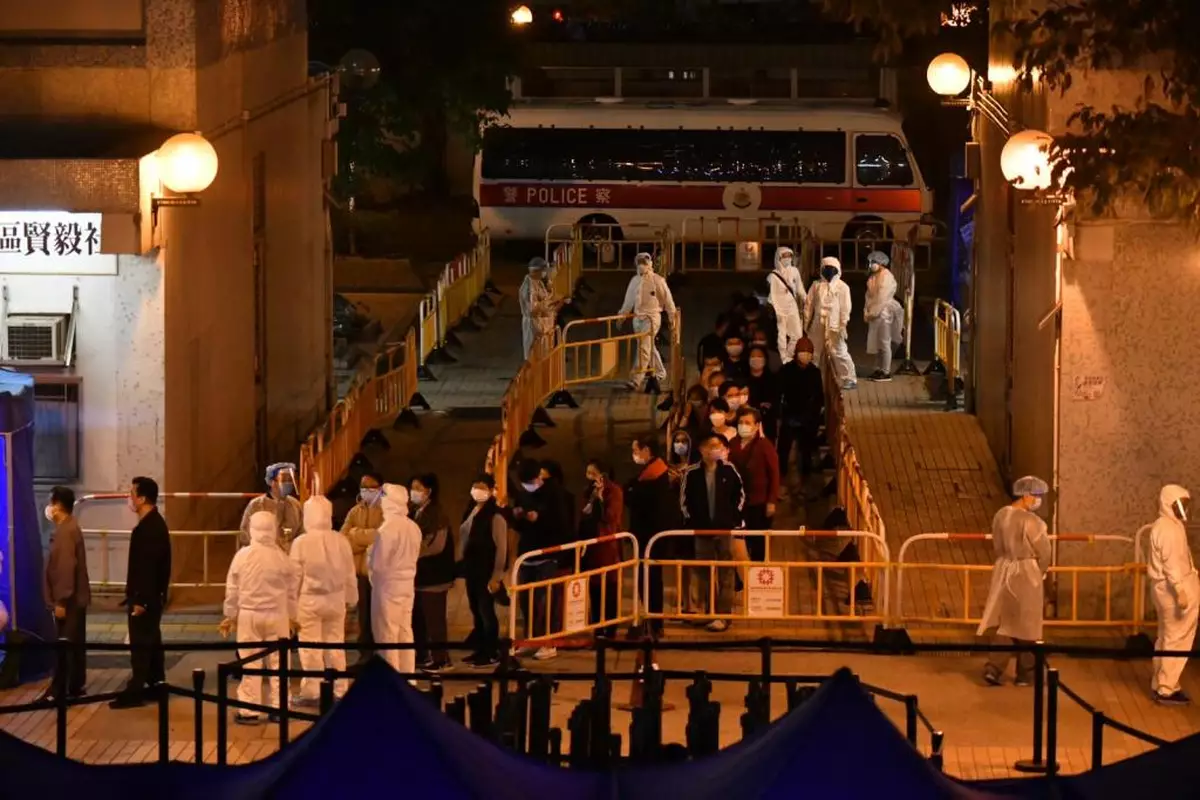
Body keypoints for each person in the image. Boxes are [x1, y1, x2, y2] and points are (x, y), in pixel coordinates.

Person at [220, 511, 298, 724]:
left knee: (250, 663)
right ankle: (280, 708)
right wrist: (292, 616)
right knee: (279, 664)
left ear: (251, 529)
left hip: (249, 615)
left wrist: (230, 615)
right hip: (278, 615)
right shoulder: (282, 557)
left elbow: (232, 589)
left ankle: (249, 710)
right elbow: (292, 590)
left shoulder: (242, 556)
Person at [978, 476, 1051, 687]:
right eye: (1036, 495)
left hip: (1004, 569)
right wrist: (1041, 571)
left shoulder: (1001, 515)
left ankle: (993, 668)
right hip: (1027, 572)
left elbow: (997, 545)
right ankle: (1026, 674)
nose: (1038, 500)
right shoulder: (1033, 522)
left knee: (1006, 623)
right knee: (1028, 624)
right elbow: (1044, 552)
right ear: (1026, 495)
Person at [290, 495, 358, 705]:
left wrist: (290, 605)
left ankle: (313, 692)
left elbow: (294, 577)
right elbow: (350, 573)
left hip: (309, 601)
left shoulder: (301, 542)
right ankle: (340, 689)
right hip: (336, 600)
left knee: (310, 648)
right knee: (335, 645)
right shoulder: (340, 540)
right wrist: (351, 598)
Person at [111, 477, 172, 709]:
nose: (130, 498)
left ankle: (135, 691)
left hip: (145, 600)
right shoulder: (152, 524)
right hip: (149, 598)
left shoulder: (149, 529)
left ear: (143, 498)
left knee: (141, 646)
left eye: (132, 493)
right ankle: (157, 685)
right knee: (152, 643)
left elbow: (148, 568)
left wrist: (141, 601)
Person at [679, 434, 745, 632]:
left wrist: (732, 519)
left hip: (724, 530)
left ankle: (724, 615)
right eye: (711, 446)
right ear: (702, 449)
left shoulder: (729, 470)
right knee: (704, 574)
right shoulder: (692, 473)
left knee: (726, 573)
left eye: (718, 446)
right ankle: (709, 612)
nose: (715, 449)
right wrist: (693, 522)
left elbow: (740, 496)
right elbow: (684, 502)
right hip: (701, 531)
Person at [512, 460, 569, 660]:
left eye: (531, 481)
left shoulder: (554, 494)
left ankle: (548, 643)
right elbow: (518, 526)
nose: (529, 486)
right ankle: (531, 640)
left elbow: (562, 524)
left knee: (547, 602)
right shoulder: (522, 495)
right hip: (527, 556)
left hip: (547, 556)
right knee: (526, 602)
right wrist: (518, 516)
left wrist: (540, 518)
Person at [1146, 484, 1197, 705]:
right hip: (1174, 588)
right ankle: (1166, 688)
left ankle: (1162, 682)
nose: (1184, 508)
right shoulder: (1168, 529)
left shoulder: (1166, 525)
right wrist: (1180, 590)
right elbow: (1171, 564)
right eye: (1181, 504)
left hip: (1167, 587)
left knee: (1167, 636)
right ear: (1169, 503)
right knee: (1177, 638)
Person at [369, 484, 422, 677]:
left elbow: (378, 564)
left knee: (387, 634)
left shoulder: (387, 529)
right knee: (405, 632)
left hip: (387, 587)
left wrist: (369, 557)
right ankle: (408, 677)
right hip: (407, 585)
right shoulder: (413, 527)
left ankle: (390, 680)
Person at [627, 435, 678, 636]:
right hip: (648, 537)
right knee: (647, 580)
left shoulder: (654, 476)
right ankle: (652, 620)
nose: (634, 455)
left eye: (636, 450)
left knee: (651, 581)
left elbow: (635, 498)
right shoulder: (651, 473)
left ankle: (654, 623)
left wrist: (631, 492)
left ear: (647, 450)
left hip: (650, 538)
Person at [43, 486, 90, 700]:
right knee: (75, 645)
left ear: (58, 505)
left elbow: (64, 568)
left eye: (51, 502)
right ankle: (74, 686)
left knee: (66, 645)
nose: (48, 507)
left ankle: (60, 690)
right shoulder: (70, 528)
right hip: (76, 599)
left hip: (68, 602)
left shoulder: (65, 532)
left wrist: (60, 601)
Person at [458, 475, 508, 667]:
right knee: (476, 611)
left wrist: (497, 577)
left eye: (482, 487)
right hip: (472, 569)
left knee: (486, 612)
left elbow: (501, 549)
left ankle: (491, 652)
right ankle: (480, 649)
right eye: (475, 486)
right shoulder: (471, 510)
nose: (477, 490)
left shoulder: (495, 516)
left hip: (486, 571)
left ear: (491, 490)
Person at [411, 474, 454, 672]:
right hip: (421, 576)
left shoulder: (437, 514)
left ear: (428, 491)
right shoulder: (417, 511)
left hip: (435, 576)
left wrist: (411, 551)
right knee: (421, 619)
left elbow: (436, 546)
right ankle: (425, 656)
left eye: (418, 488)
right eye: (412, 487)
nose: (413, 492)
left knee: (435, 619)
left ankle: (442, 659)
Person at [617, 252, 677, 392]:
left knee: (644, 347)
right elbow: (628, 301)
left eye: (644, 263)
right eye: (639, 263)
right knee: (647, 347)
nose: (641, 265)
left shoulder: (658, 281)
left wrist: (672, 318)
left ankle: (636, 379)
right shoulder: (634, 281)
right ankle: (660, 372)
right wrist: (622, 316)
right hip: (637, 319)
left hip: (652, 318)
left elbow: (668, 301)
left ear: (650, 264)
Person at [728, 407, 781, 562]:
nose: (743, 426)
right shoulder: (732, 444)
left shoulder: (765, 446)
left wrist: (771, 501)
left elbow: (774, 474)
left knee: (758, 542)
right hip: (737, 502)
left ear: (757, 425)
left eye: (747, 422)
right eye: (741, 422)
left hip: (759, 502)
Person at [340, 471, 383, 657]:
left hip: (379, 573)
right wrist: (366, 539)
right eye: (363, 487)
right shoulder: (355, 511)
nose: (366, 491)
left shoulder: (385, 511)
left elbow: (381, 537)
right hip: (360, 573)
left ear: (380, 488)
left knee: (379, 617)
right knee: (363, 618)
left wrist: (355, 534)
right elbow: (343, 539)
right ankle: (365, 655)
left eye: (371, 487)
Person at [580, 460, 625, 637]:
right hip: (592, 545)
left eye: (593, 473)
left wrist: (600, 500)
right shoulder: (588, 492)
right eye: (588, 473)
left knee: (609, 588)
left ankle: (610, 627)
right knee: (595, 588)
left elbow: (611, 517)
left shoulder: (614, 491)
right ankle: (598, 626)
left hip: (607, 545)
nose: (589, 477)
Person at [777, 337, 826, 483]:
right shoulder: (786, 370)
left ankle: (806, 476)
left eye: (808, 352)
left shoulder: (814, 372)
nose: (805, 354)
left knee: (806, 449)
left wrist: (814, 415)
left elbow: (819, 397)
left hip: (808, 417)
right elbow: (779, 392)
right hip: (789, 414)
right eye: (802, 351)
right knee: (784, 448)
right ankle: (782, 473)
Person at [805, 256, 857, 390]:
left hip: (835, 326)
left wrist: (843, 324)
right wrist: (806, 324)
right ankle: (813, 377)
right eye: (826, 268)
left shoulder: (843, 287)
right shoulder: (816, 286)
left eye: (832, 268)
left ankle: (848, 378)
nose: (829, 271)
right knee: (815, 351)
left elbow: (846, 307)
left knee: (838, 351)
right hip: (817, 324)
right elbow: (809, 305)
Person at [240, 462, 303, 552]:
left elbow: (301, 532)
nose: (288, 483)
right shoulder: (256, 505)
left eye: (290, 480)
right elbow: (245, 534)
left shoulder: (295, 505)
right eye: (284, 480)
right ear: (272, 482)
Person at [863, 250, 904, 382]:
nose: (871, 265)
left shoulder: (887, 277)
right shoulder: (873, 277)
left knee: (885, 342)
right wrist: (867, 311)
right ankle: (878, 369)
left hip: (885, 313)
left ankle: (886, 371)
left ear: (881, 263)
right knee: (877, 343)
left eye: (874, 262)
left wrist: (872, 313)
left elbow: (882, 298)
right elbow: (869, 296)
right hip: (875, 314)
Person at [767, 246, 806, 359]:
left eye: (790, 256)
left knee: (797, 334)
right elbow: (772, 294)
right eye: (785, 256)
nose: (788, 258)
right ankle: (782, 358)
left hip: (792, 306)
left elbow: (800, 288)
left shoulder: (794, 271)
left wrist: (806, 300)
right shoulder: (773, 276)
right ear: (779, 257)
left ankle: (789, 355)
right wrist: (775, 309)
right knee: (782, 335)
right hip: (779, 308)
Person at [520, 257, 560, 359]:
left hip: (542, 325)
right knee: (533, 355)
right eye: (543, 270)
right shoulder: (528, 287)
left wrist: (553, 296)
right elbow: (533, 308)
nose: (545, 273)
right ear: (536, 271)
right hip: (533, 325)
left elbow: (545, 298)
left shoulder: (538, 283)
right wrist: (549, 302)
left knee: (543, 355)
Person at [745, 345, 781, 443]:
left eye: (759, 356)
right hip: (748, 421)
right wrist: (757, 405)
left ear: (765, 359)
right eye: (753, 356)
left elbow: (776, 401)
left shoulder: (773, 379)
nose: (756, 359)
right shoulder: (743, 379)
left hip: (768, 422)